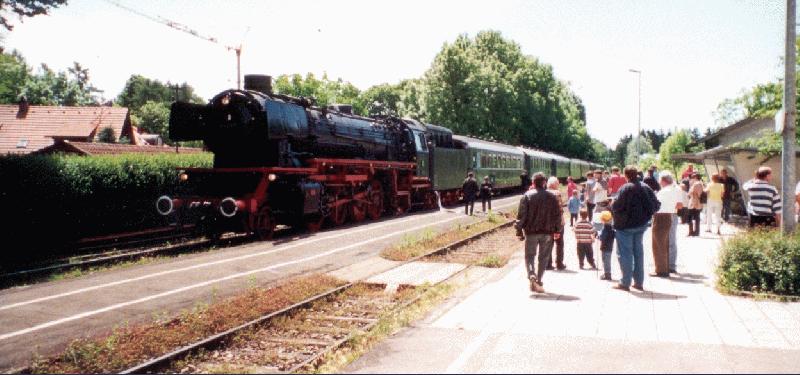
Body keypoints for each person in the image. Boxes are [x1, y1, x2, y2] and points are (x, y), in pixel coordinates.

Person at [611, 165, 660, 292]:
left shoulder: (625, 188)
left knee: (625, 254)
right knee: (638, 253)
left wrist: (611, 203)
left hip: (625, 227)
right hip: (641, 225)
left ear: (625, 175)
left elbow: (616, 206)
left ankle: (625, 282)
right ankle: (638, 282)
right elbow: (656, 204)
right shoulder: (645, 187)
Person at [516, 172, 562, 293]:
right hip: (547, 232)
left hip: (531, 232)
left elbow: (521, 216)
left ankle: (532, 274)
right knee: (544, 257)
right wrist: (557, 230)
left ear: (533, 183)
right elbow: (557, 215)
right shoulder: (552, 197)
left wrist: (519, 230)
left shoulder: (527, 196)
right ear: (544, 183)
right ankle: (539, 280)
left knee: (530, 256)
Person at [655, 171, 683, 274]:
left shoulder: (664, 191)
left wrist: (669, 206)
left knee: (662, 241)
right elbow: (680, 205)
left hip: (664, 215)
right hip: (673, 215)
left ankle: (665, 265)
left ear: (663, 181)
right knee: (671, 240)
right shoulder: (677, 189)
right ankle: (671, 265)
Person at [546, 176, 566, 270]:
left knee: (548, 244)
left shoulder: (544, 193)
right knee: (559, 244)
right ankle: (559, 263)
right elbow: (559, 210)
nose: (558, 185)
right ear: (554, 184)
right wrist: (562, 221)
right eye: (558, 183)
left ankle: (548, 264)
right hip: (557, 223)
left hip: (546, 223)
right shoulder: (557, 193)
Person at [598, 210, 615, 281]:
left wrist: (598, 236)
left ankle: (607, 274)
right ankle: (606, 273)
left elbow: (602, 237)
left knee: (605, 261)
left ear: (603, 220)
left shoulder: (605, 229)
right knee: (607, 260)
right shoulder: (612, 228)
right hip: (610, 247)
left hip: (604, 247)